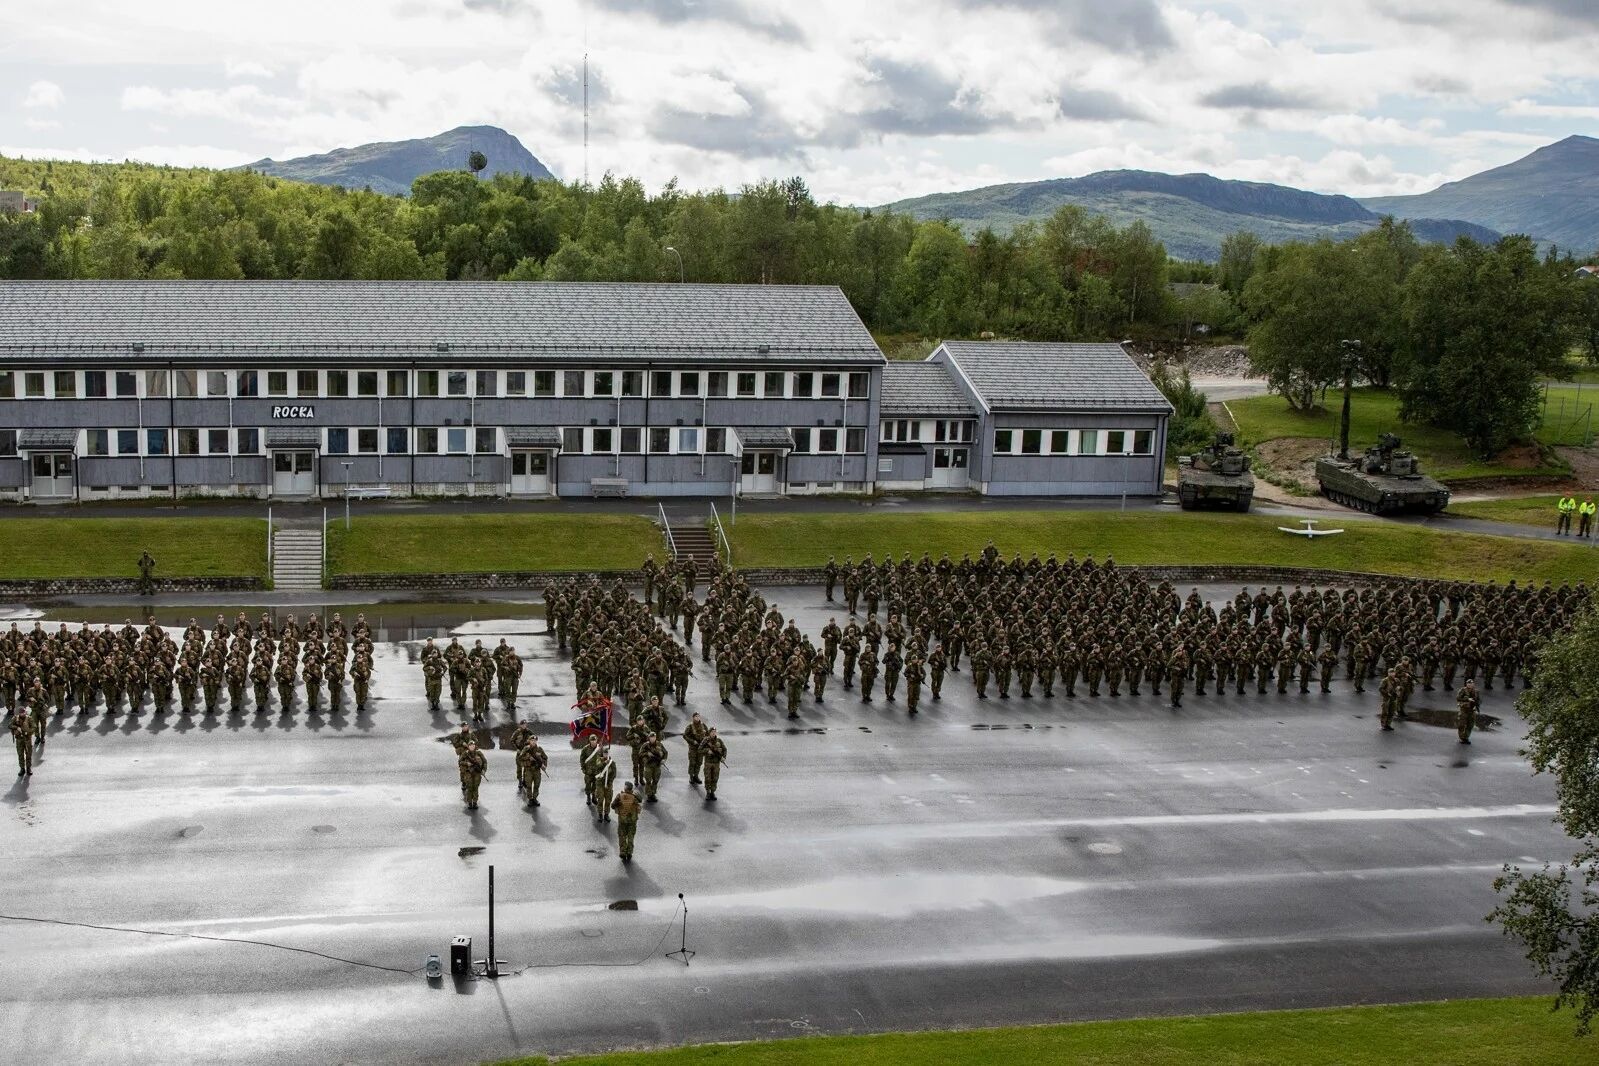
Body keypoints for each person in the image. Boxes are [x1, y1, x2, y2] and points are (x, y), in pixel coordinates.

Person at [612, 782, 642, 862]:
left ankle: (622, 852)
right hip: (632, 820)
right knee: (630, 836)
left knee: (622, 836)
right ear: (631, 789)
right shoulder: (635, 796)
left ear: (625, 788)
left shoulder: (619, 796)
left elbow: (612, 805)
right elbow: (640, 800)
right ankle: (629, 853)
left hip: (622, 820)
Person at [458, 740, 487, 810]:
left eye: (473, 746)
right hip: (468, 774)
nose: (472, 747)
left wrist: (483, 770)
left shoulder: (479, 753)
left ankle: (475, 802)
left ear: (475, 746)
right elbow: (460, 762)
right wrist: (466, 763)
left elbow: (485, 762)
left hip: (477, 773)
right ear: (468, 746)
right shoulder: (465, 754)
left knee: (475, 788)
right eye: (470, 746)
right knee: (470, 788)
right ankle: (470, 803)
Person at [683, 712, 709, 785]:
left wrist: (705, 741)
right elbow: (685, 736)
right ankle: (691, 776)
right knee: (692, 762)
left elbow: (707, 734)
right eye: (696, 716)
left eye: (698, 716)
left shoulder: (703, 725)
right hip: (693, 748)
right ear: (693, 717)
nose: (697, 718)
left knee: (699, 762)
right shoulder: (690, 726)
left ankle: (696, 776)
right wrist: (692, 741)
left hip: (701, 748)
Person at [701, 727, 727, 800]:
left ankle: (713, 792)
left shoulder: (719, 741)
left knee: (715, 778)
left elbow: (725, 749)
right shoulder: (705, 740)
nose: (713, 733)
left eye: (715, 731)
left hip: (716, 763)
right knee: (708, 778)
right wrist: (707, 751)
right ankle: (708, 793)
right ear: (709, 733)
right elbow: (700, 750)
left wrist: (723, 757)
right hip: (708, 763)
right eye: (712, 731)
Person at [11, 704, 35, 776]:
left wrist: (28, 732)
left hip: (27, 739)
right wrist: (16, 727)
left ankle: (28, 768)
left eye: (24, 712)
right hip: (19, 740)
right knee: (20, 754)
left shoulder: (29, 718)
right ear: (19, 713)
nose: (23, 713)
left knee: (28, 754)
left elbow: (34, 727)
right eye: (21, 712)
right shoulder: (15, 718)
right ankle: (22, 768)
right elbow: (9, 725)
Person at [1456, 679, 1480, 745]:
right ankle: (1461, 737)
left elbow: (1478, 700)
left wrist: (1477, 707)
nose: (1469, 684)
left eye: (1471, 683)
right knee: (1461, 724)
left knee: (1470, 725)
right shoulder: (1463, 690)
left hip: (1472, 710)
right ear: (1466, 684)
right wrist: (1467, 699)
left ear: (1473, 684)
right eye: (1468, 683)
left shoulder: (1476, 691)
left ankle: (1466, 737)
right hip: (1464, 710)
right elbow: (1458, 698)